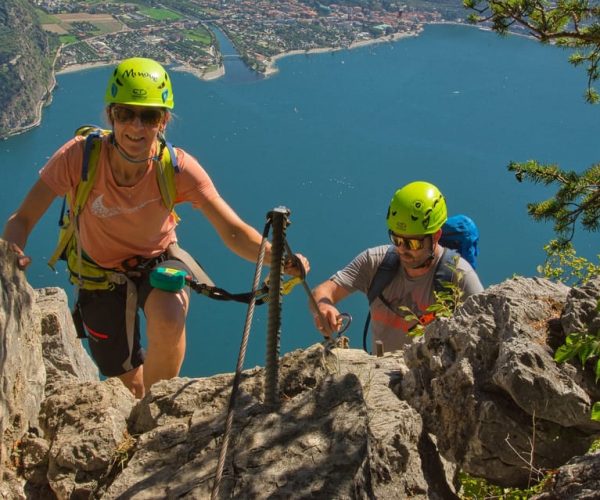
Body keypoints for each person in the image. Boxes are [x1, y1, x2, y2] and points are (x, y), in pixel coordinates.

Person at [3, 57, 309, 398]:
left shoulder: (177, 168)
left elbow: (233, 230)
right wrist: (11, 257)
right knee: (126, 381)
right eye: (125, 114)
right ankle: (140, 406)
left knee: (168, 317)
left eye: (148, 116)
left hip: (158, 261)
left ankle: (158, 411)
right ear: (111, 115)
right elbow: (23, 219)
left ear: (163, 120)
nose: (136, 126)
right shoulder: (79, 158)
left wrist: (276, 257)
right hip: (98, 275)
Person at [312, 181, 483, 353]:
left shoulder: (459, 276)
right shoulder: (376, 262)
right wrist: (324, 307)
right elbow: (324, 291)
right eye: (397, 239)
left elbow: (484, 335)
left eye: (413, 243)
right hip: (378, 372)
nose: (402, 249)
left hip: (431, 377)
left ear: (436, 236)